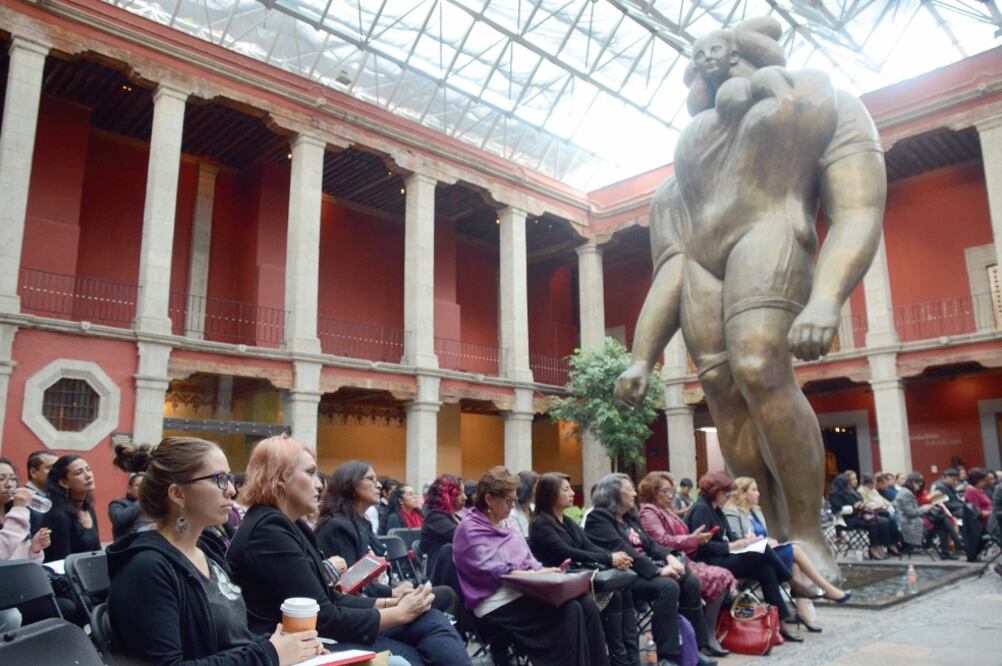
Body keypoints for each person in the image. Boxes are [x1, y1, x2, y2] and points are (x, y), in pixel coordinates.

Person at [227, 438, 468, 666]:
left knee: (430, 620)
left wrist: (392, 603)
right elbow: (325, 615)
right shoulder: (269, 530)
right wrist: (398, 612)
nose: (320, 484)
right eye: (310, 473)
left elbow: (331, 599)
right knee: (412, 651)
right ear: (280, 478)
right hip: (301, 646)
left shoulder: (292, 525)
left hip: (320, 634)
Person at [107, 438, 323, 665]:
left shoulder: (207, 552)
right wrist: (269, 653)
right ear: (177, 494)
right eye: (219, 479)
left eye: (229, 478)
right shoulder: (146, 568)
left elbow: (234, 641)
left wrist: (291, 646)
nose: (231, 489)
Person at [453, 466, 610, 666]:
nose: (511, 506)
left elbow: (529, 562)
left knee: (586, 604)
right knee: (570, 610)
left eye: (514, 500)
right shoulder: (469, 528)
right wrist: (534, 575)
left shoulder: (506, 526)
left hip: (521, 590)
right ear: (489, 499)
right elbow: (495, 571)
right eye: (507, 500)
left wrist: (546, 571)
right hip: (494, 600)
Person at [586, 473, 720, 664]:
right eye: (629, 489)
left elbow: (652, 545)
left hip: (644, 571)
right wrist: (657, 571)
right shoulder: (598, 518)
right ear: (613, 494)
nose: (634, 493)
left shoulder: (630, 518)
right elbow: (622, 549)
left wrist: (670, 557)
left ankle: (692, 650)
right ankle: (668, 657)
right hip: (625, 576)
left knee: (689, 581)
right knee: (668, 586)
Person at [528, 472, 641, 665]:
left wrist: (613, 557)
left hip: (577, 578)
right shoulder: (540, 524)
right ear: (550, 494)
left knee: (623, 589)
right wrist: (608, 557)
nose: (572, 493)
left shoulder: (567, 521)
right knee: (614, 594)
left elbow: (588, 546)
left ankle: (629, 658)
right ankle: (616, 659)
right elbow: (566, 552)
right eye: (566, 489)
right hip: (557, 584)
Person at [315, 462, 456, 614]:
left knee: (444, 597)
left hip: (381, 600)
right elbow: (350, 586)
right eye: (370, 479)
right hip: (366, 610)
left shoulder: (360, 522)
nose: (379, 486)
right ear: (350, 485)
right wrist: (392, 595)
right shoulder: (338, 526)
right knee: (445, 598)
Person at [685, 472, 808, 639]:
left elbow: (729, 537)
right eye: (725, 493)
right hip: (710, 562)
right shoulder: (701, 509)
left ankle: (780, 623)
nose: (728, 497)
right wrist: (732, 546)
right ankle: (792, 583)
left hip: (725, 557)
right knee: (764, 549)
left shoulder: (717, 510)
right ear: (715, 492)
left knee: (766, 569)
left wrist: (745, 541)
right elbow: (702, 547)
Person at [724, 476, 850, 627]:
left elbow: (761, 535)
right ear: (742, 493)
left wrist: (769, 540)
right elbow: (737, 541)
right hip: (749, 558)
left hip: (765, 554)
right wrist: (761, 541)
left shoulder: (756, 512)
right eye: (754, 490)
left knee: (796, 562)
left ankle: (804, 613)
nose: (758, 493)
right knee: (795, 549)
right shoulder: (733, 513)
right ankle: (827, 589)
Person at [636, 471, 734, 650]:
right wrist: (693, 540)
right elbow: (661, 541)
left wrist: (696, 540)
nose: (670, 496)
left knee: (723, 575)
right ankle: (703, 637)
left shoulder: (665, 511)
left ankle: (703, 635)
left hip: (682, 560)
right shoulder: (648, 512)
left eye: (671, 491)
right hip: (666, 564)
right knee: (720, 575)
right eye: (665, 491)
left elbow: (680, 540)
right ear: (652, 492)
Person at [0, 458, 52, 632]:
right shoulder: (18, 513)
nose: (9, 485)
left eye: (13, 479)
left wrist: (34, 549)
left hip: (15, 586)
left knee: (62, 602)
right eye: (1, 479)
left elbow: (17, 563)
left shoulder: (13, 513)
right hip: (6, 594)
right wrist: (20, 510)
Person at [41, 455, 100, 561]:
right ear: (64, 482)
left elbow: (97, 551)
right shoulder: (58, 516)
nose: (88, 476)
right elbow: (61, 560)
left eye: (88, 469)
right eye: (79, 473)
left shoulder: (88, 508)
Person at [827, 472, 896, 559]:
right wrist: (853, 507)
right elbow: (837, 510)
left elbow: (860, 501)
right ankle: (873, 548)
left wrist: (861, 505)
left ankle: (881, 546)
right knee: (873, 524)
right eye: (848, 482)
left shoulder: (850, 492)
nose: (850, 484)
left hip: (858, 515)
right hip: (846, 520)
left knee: (881, 521)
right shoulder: (835, 495)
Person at [893, 472, 955, 559]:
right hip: (910, 522)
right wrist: (925, 508)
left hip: (912, 519)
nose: (919, 488)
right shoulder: (906, 494)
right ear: (914, 483)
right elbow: (911, 513)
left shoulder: (905, 492)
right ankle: (947, 550)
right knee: (942, 522)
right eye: (918, 485)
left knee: (942, 520)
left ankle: (944, 551)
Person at [419, 474, 465, 582]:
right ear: (447, 495)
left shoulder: (456, 516)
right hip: (440, 575)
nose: (465, 497)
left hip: (456, 568)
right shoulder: (434, 517)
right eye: (460, 493)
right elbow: (464, 537)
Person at [25, 450, 57, 533]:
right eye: (50, 468)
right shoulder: (23, 498)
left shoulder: (56, 495)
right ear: (33, 472)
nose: (57, 472)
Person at [108, 472, 146, 541]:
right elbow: (119, 520)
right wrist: (142, 501)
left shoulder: (152, 505)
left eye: (145, 486)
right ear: (129, 489)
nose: (143, 489)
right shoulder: (117, 504)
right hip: (128, 547)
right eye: (138, 486)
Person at [507, 470, 538, 538]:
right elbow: (518, 540)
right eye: (537, 487)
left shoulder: (534, 508)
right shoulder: (511, 513)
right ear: (527, 489)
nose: (541, 491)